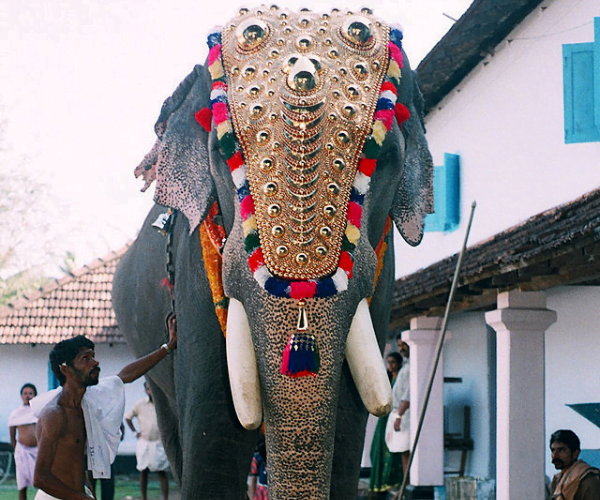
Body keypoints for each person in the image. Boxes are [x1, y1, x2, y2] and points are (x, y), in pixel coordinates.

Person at [31, 314, 177, 500]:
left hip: (80, 493)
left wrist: (168, 346)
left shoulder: (88, 400)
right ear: (65, 369)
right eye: (86, 358)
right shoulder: (55, 414)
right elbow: (40, 478)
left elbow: (126, 375)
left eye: (93, 356)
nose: (95, 362)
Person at [126, 382, 170, 500]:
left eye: (152, 389)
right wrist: (135, 432)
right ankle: (144, 498)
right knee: (143, 471)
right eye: (148, 389)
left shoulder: (162, 403)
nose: (150, 391)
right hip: (144, 442)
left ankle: (165, 498)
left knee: (161, 471)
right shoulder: (140, 404)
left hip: (159, 442)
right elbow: (128, 417)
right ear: (145, 390)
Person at [368, 352, 404, 499]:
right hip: (385, 417)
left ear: (399, 363)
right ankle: (378, 483)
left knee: (390, 449)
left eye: (393, 362)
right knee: (377, 448)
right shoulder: (389, 379)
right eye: (388, 363)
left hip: (394, 415)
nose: (390, 366)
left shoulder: (401, 378)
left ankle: (390, 481)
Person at [549, 429, 600, 500]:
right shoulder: (557, 480)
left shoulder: (588, 479)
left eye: (561, 450)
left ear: (575, 453)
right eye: (553, 450)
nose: (555, 456)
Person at [8, 383, 39, 500]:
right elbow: (12, 436)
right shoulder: (16, 414)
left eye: (30, 393)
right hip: (22, 452)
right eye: (25, 394)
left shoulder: (39, 412)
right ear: (21, 396)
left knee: (43, 482)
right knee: (22, 485)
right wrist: (18, 449)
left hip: (38, 452)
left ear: (35, 395)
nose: (28, 396)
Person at [389, 334, 410, 480]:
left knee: (406, 450)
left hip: (405, 414)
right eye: (399, 345)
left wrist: (399, 416)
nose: (401, 349)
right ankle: (405, 482)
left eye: (404, 345)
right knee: (402, 450)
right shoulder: (406, 366)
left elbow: (408, 395)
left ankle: (407, 482)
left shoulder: (411, 367)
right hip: (398, 411)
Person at [249, 435, 268, 500]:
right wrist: (252, 496)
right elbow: (253, 478)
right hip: (261, 490)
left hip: (270, 489)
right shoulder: (257, 457)